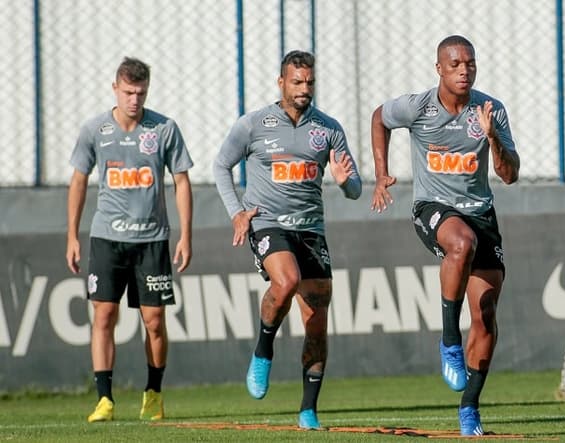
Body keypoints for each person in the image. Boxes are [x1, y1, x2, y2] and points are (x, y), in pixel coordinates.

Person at [370, 35, 520, 436]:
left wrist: (492, 138)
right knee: (461, 244)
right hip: (433, 208)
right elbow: (379, 117)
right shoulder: (418, 107)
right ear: (439, 68)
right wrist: (381, 172)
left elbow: (509, 175)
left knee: (486, 315)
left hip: (481, 213)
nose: (463, 70)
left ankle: (469, 409)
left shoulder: (490, 110)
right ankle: (449, 340)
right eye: (455, 64)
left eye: (469, 63)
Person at [213, 50, 361, 430]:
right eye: (297, 82)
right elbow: (221, 165)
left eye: (309, 82)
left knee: (316, 319)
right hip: (267, 223)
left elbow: (355, 188)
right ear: (281, 83)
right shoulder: (254, 124)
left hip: (310, 230)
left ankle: (308, 410)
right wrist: (236, 211)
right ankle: (263, 350)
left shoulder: (327, 128)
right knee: (287, 280)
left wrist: (347, 184)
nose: (304, 89)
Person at [66, 57, 194, 423]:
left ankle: (153, 393)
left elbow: (181, 181)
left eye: (140, 93)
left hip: (152, 240)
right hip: (107, 239)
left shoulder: (164, 129)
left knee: (154, 320)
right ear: (115, 89)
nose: (134, 100)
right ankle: (104, 399)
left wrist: (186, 235)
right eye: (128, 92)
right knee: (104, 314)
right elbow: (78, 181)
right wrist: (72, 236)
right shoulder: (95, 130)